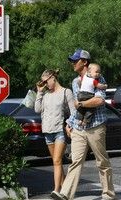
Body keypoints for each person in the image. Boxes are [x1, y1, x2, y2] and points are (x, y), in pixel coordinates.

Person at [51, 49, 116, 200]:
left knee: (102, 161)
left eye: (75, 60)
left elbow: (99, 101)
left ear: (84, 62)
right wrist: (69, 123)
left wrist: (82, 103)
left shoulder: (97, 77)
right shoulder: (75, 82)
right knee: (75, 161)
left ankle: (108, 194)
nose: (72, 63)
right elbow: (76, 108)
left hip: (96, 126)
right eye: (72, 61)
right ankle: (66, 194)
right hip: (79, 127)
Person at [34, 69, 75, 198]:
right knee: (56, 162)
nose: (45, 84)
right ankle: (64, 191)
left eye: (46, 81)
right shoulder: (45, 95)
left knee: (57, 160)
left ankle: (56, 190)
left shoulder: (65, 92)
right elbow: (37, 109)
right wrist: (39, 93)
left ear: (53, 78)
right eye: (43, 83)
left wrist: (69, 125)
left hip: (59, 131)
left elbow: (73, 112)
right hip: (47, 131)